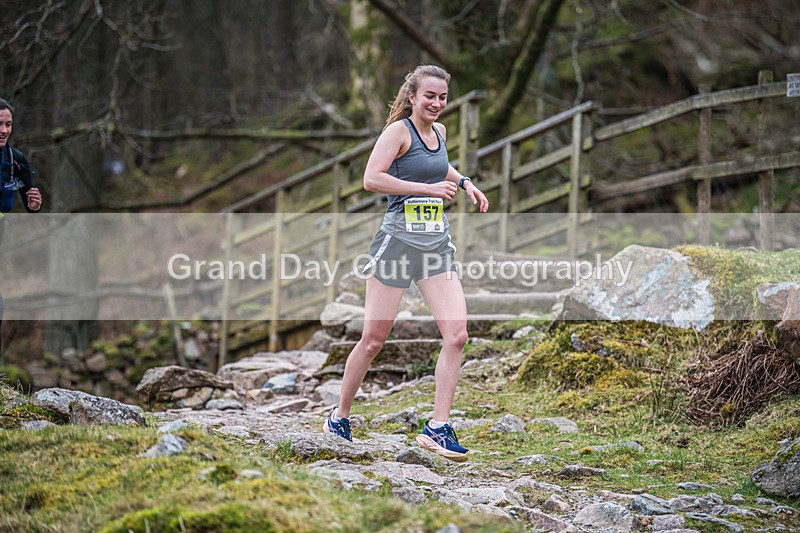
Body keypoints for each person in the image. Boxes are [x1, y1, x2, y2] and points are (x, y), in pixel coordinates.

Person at [323, 65, 489, 462]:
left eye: (442, 97)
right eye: (429, 96)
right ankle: (339, 417)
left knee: (457, 335)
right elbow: (371, 178)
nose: (436, 103)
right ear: (412, 96)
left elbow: (437, 167)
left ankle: (438, 427)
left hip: (435, 246)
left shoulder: (440, 133)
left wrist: (465, 182)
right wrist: (425, 189)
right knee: (374, 341)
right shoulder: (397, 132)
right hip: (397, 245)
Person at [0, 98, 44, 354]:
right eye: (0, 124)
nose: (4, 130)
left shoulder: (16, 160)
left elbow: (31, 203)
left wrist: (35, 204)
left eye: (8, 125)